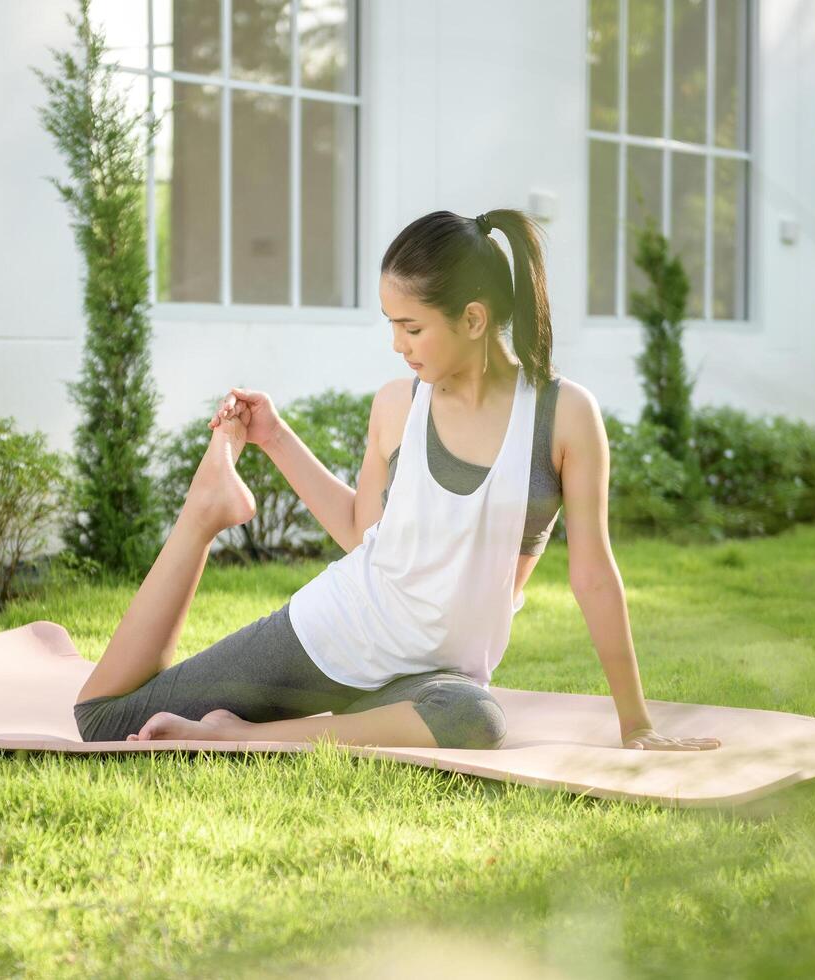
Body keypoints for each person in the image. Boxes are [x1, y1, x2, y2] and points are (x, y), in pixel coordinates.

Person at [71, 209, 721, 753]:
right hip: (334, 635)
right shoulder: (398, 406)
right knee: (104, 721)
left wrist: (636, 723)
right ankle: (203, 512)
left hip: (431, 677)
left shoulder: (563, 416)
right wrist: (272, 438)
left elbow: (595, 576)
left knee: (477, 719)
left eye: (411, 327)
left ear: (472, 319)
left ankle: (242, 735)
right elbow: (362, 533)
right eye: (391, 326)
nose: (397, 345)